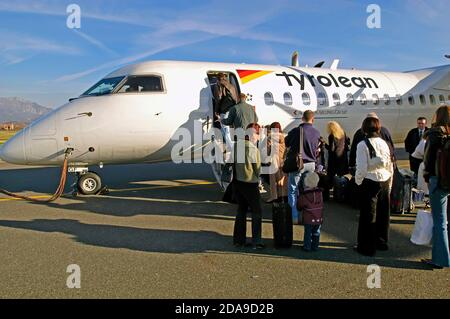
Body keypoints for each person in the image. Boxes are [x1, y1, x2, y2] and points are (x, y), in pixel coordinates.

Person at [354, 116, 394, 256]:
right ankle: (382, 242)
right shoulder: (384, 143)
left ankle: (366, 246)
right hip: (385, 178)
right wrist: (390, 181)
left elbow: (362, 168)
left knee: (368, 215)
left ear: (364, 128)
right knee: (383, 213)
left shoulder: (362, 145)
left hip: (370, 180)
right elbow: (390, 162)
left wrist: (358, 181)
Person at [422, 105, 450, 269]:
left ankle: (440, 259)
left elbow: (428, 159)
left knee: (439, 221)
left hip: (438, 180)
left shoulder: (434, 134)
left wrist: (427, 177)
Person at [285, 110, 321, 224]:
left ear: (302, 118)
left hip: (298, 164)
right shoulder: (316, 133)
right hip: (311, 164)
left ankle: (294, 216)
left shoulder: (296, 131)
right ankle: (309, 215)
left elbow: (287, 143)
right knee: (308, 190)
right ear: (313, 119)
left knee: (293, 190)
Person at [232, 123, 264, 249]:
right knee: (257, 212)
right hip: (250, 183)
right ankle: (256, 241)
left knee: (241, 210)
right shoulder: (253, 149)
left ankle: (239, 240)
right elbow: (257, 169)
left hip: (238, 182)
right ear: (253, 135)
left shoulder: (236, 146)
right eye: (258, 135)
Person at [297, 171, 323, 252]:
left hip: (308, 218)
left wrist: (299, 208)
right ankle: (315, 246)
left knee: (308, 233)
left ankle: (307, 246)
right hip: (318, 217)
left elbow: (300, 205)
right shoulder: (320, 193)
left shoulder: (304, 195)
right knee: (316, 232)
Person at [264, 122, 288, 203]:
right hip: (283, 160)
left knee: (273, 180)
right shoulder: (284, 137)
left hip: (274, 160)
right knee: (282, 179)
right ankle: (283, 195)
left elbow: (267, 150)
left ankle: (274, 196)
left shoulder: (270, 137)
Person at [214, 73, 239, 147]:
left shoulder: (219, 85)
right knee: (224, 128)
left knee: (225, 129)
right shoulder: (231, 86)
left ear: (219, 78)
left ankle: (231, 146)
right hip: (231, 109)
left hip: (224, 110)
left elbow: (218, 98)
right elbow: (235, 98)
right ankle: (226, 143)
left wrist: (216, 110)